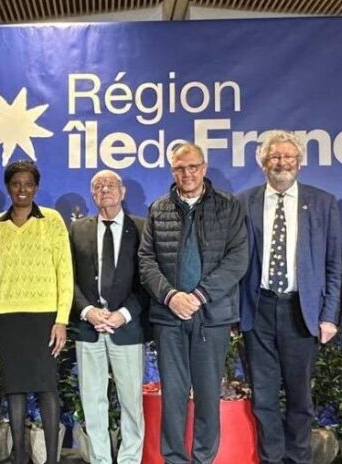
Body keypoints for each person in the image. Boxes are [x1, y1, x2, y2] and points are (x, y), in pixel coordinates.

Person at [237, 130, 342, 464]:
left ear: (300, 162)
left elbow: (333, 264)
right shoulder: (243, 202)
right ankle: (270, 459)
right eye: (274, 157)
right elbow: (234, 262)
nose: (281, 163)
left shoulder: (323, 202)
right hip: (259, 310)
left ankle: (298, 459)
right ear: (263, 163)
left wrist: (329, 315)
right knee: (264, 398)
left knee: (300, 399)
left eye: (288, 157)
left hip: (302, 310)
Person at [139, 143, 248, 464]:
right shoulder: (158, 209)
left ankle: (203, 459)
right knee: (172, 395)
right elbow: (146, 260)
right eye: (179, 168)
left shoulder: (228, 207)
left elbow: (238, 259)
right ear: (172, 171)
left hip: (211, 316)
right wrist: (171, 296)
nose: (186, 174)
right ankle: (174, 458)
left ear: (204, 167)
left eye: (193, 167)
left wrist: (199, 296)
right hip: (168, 316)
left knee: (207, 394)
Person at [0, 160, 73, 464]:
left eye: (28, 184)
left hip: (44, 315)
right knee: (16, 388)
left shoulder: (52, 220)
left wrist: (61, 319)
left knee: (47, 387)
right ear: (8, 187)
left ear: (36, 187)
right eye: (16, 183)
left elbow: (65, 271)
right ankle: (20, 456)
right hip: (8, 315)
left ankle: (51, 459)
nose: (22, 189)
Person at [69, 170, 147, 464]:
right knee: (93, 401)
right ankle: (100, 459)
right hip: (88, 327)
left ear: (123, 191)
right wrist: (88, 311)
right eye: (98, 186)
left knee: (131, 403)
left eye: (111, 185)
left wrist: (123, 314)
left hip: (126, 328)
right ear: (92, 194)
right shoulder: (78, 229)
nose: (105, 190)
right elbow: (69, 279)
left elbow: (148, 280)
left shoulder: (141, 227)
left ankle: (129, 460)